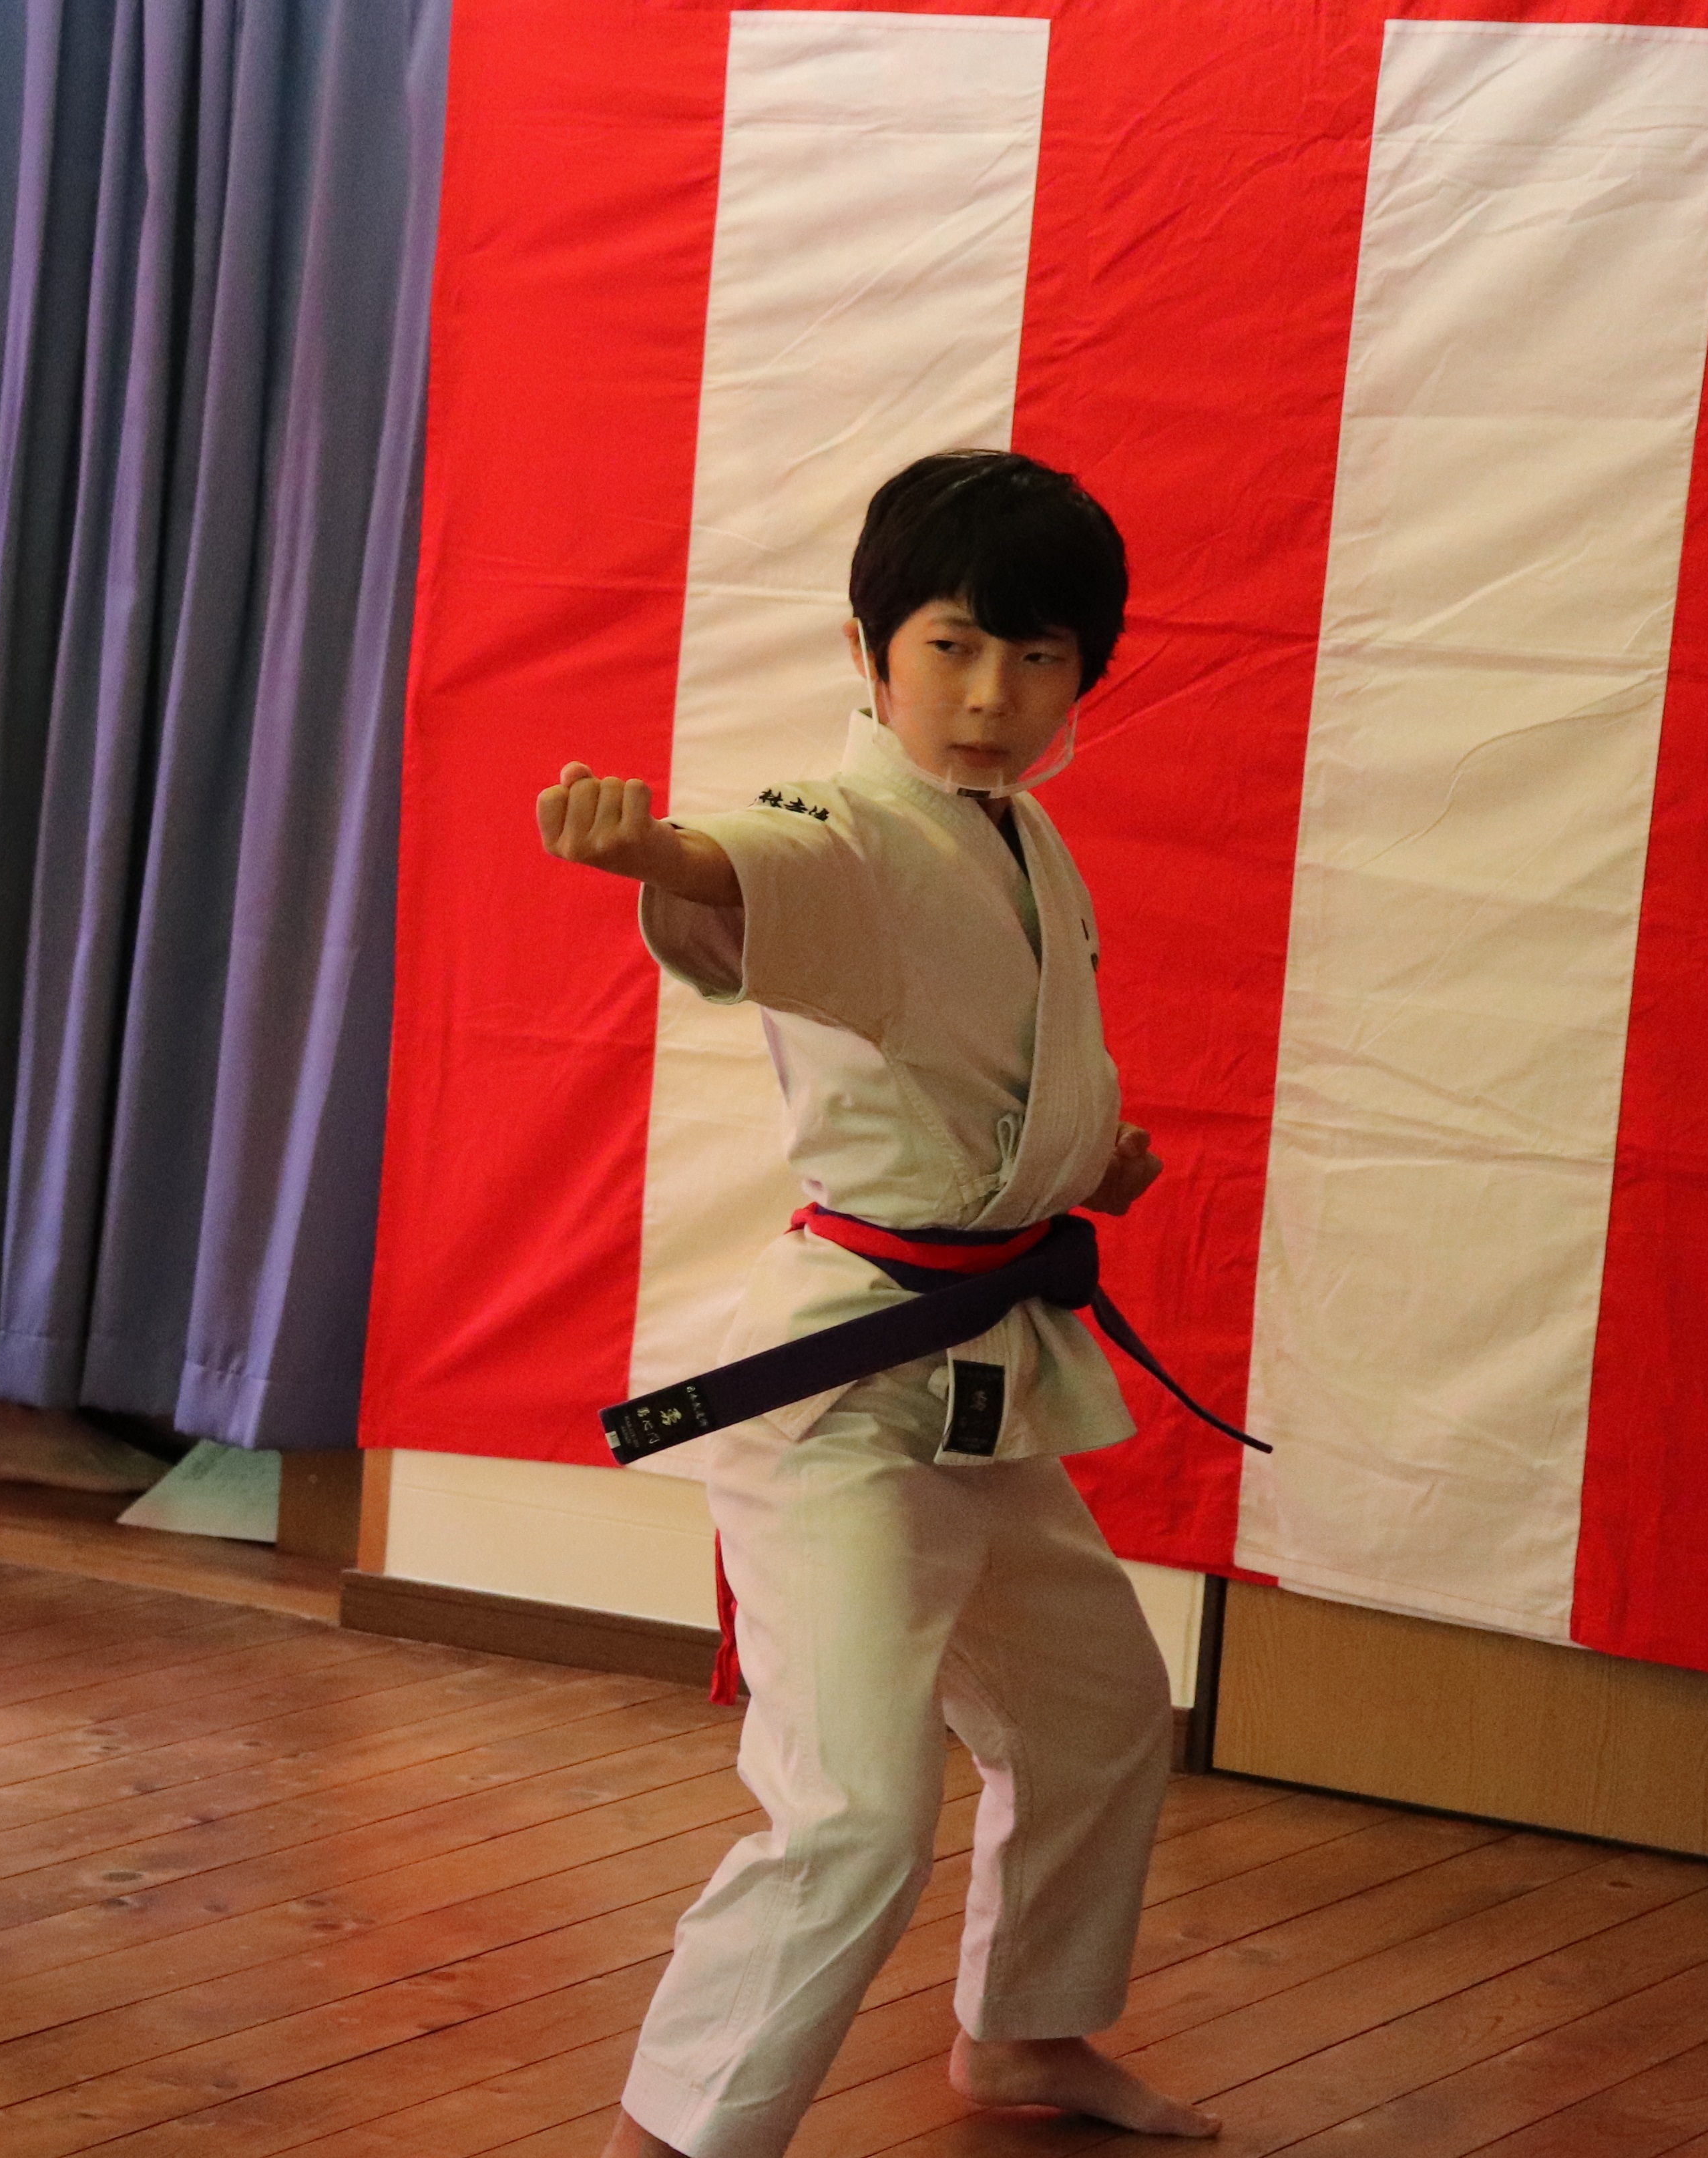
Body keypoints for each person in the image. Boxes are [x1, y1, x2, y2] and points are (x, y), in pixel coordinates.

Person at [536, 451, 1222, 2153]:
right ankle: (671, 2136)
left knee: (1096, 1713)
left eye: (1038, 658)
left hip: (988, 1371)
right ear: (868, 649)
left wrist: (1081, 1161)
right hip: (844, 1393)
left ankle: (1026, 2033)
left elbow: (979, 1068)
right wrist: (657, 850)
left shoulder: (1021, 834)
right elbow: (749, 868)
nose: (990, 698)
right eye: (951, 647)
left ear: (1087, 669)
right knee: (854, 1807)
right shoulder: (845, 824)